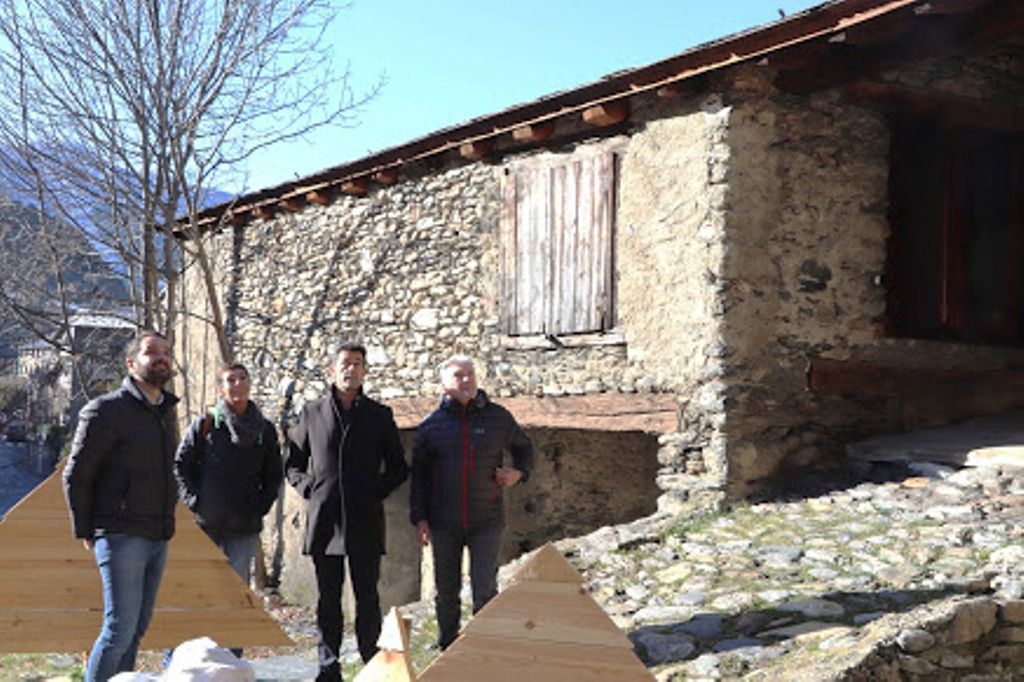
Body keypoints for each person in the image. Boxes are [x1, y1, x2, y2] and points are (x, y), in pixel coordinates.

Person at [285, 343, 408, 682]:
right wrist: (313, 489)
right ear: (331, 370)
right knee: (328, 598)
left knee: (368, 597)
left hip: (365, 520)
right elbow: (293, 464)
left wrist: (373, 492)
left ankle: (370, 661)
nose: (350, 369)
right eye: (344, 364)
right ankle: (328, 666)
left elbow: (398, 467)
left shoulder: (379, 415)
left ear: (365, 371)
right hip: (325, 522)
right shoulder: (311, 412)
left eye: (357, 364)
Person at [62, 331, 178, 682]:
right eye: (151, 352)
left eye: (166, 353)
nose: (161, 358)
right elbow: (75, 474)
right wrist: (85, 529)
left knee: (136, 630)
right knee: (118, 631)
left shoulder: (165, 412)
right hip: (120, 532)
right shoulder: (106, 410)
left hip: (157, 533)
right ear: (131, 363)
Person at [409, 355, 533, 651]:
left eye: (470, 375)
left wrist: (519, 473)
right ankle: (448, 648)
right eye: (458, 375)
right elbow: (419, 479)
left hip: (486, 519)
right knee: (447, 589)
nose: (466, 380)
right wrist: (420, 519)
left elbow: (524, 447)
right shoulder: (431, 427)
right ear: (443, 384)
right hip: (443, 523)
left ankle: (486, 649)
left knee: (485, 588)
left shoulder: (498, 418)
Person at [174, 363, 283, 657]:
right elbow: (181, 465)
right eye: (230, 380)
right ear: (221, 388)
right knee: (202, 592)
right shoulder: (207, 424)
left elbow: (274, 473)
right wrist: (195, 501)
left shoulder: (264, 429)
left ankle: (231, 661)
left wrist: (261, 506)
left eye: (242, 379)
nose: (236, 385)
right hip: (206, 525)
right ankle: (196, 659)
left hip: (243, 527)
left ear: (249, 385)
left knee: (236, 595)